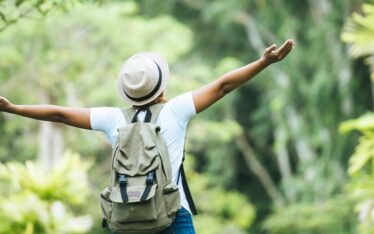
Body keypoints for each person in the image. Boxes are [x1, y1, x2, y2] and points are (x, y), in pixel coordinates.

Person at [0, 39, 294, 233]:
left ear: (127, 91)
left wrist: (13, 107)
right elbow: (222, 86)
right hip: (172, 215)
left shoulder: (112, 118)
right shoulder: (176, 111)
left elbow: (59, 114)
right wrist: (263, 62)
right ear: (161, 86)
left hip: (127, 219)